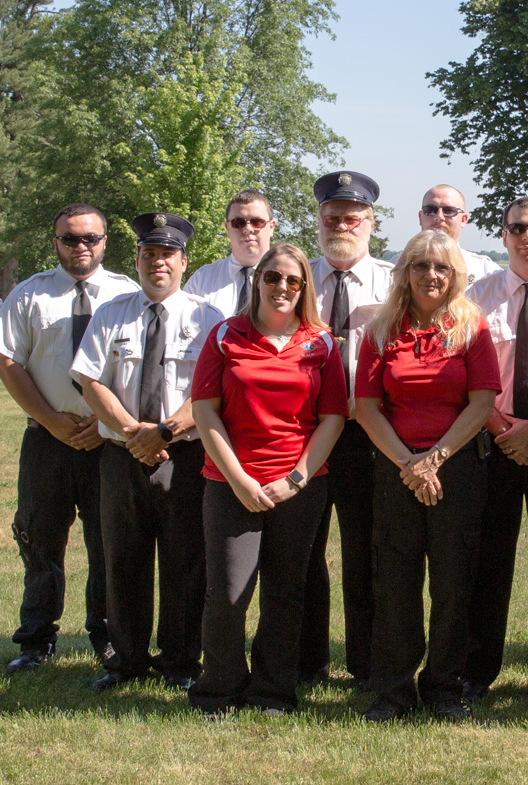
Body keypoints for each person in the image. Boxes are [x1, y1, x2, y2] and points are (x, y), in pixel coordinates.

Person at [187, 243, 346, 715]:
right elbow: (204, 412)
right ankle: (218, 689)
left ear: (304, 289)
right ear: (257, 281)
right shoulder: (225, 335)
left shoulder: (321, 343)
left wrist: (295, 479)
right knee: (227, 595)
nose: (282, 287)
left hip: (298, 487)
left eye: (293, 281)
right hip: (231, 484)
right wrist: (238, 479)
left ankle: (273, 691)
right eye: (273, 277)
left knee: (285, 593)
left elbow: (333, 418)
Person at [0, 203, 139, 673]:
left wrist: (106, 423)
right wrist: (51, 420)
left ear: (105, 241)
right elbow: (9, 362)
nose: (81, 246)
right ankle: (36, 641)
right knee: (39, 540)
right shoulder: (30, 294)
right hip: (47, 441)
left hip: (107, 441)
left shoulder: (128, 294)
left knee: (109, 543)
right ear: (56, 242)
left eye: (90, 237)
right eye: (70, 238)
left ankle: (107, 637)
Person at [71, 212, 223, 690]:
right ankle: (127, 660)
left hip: (184, 457)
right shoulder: (111, 313)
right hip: (122, 456)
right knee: (122, 559)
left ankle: (180, 662)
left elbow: (213, 389)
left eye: (168, 255)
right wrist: (132, 432)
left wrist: (164, 432)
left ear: (183, 262)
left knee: (186, 560)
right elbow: (90, 380)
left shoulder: (209, 318)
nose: (159, 262)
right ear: (136, 260)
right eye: (149, 254)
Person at [355, 229, 500, 722]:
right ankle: (393, 690)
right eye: (420, 265)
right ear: (405, 272)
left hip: (456, 468)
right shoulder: (380, 331)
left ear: (455, 274)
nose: (431, 275)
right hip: (395, 468)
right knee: (395, 582)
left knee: (453, 580)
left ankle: (444, 687)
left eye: (441, 267)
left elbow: (482, 403)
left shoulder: (472, 327)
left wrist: (434, 459)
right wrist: (409, 465)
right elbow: (366, 408)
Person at [463, 196, 528, 700]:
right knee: (488, 558)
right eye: (518, 228)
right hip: (493, 439)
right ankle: (476, 667)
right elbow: (461, 374)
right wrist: (506, 431)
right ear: (503, 235)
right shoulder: (476, 297)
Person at [303, 170, 394, 689]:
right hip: (305, 433)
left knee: (366, 553)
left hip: (367, 435)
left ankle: (367, 662)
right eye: (332, 217)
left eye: (352, 218)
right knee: (301, 551)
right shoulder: (295, 279)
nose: (341, 225)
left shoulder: (395, 282)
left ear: (370, 223)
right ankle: (305, 661)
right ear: (319, 221)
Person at [184, 190, 276, 316]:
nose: (247, 229)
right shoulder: (201, 280)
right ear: (227, 228)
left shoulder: (289, 281)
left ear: (271, 227)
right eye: (238, 223)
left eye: (256, 222)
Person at [414, 185, 501, 283]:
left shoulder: (486, 272)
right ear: (420, 217)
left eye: (449, 211)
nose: (439, 216)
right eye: (430, 210)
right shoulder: (401, 267)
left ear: (463, 220)